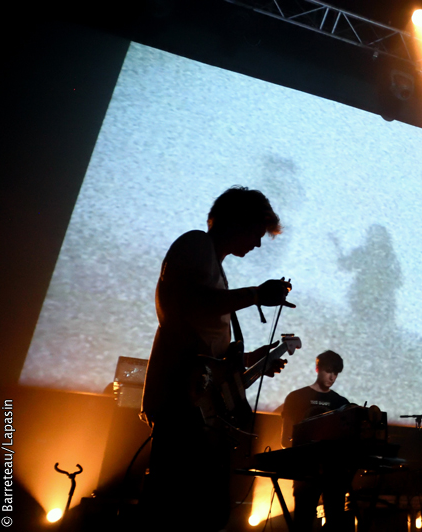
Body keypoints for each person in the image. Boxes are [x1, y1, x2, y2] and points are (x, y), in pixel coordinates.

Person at [140, 186, 295, 532]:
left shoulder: (218, 272)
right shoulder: (195, 243)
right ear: (237, 221)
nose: (257, 244)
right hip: (181, 405)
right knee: (180, 511)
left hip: (199, 411)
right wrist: (256, 294)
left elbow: (210, 353)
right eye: (257, 233)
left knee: (207, 512)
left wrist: (257, 360)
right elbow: (190, 303)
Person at [281, 350, 352, 532]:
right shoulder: (296, 397)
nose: (332, 377)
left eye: (336, 373)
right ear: (317, 369)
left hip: (333, 473)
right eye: (329, 371)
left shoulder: (341, 402)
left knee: (335, 521)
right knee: (303, 522)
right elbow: (285, 438)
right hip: (305, 471)